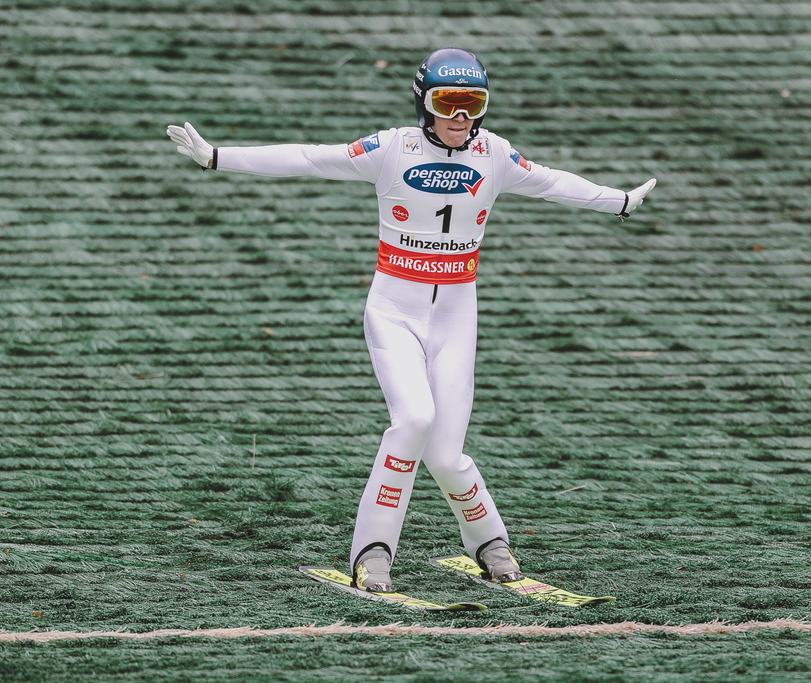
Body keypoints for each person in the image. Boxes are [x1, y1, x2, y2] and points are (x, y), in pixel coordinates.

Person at [167, 48, 656, 592]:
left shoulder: (494, 153)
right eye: (448, 103)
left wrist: (618, 201)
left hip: (456, 316)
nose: (460, 117)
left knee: (445, 455)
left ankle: (491, 543)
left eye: (472, 104)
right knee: (414, 420)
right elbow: (310, 158)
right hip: (395, 312)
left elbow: (552, 182)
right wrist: (218, 157)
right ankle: (372, 552)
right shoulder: (391, 148)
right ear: (424, 103)